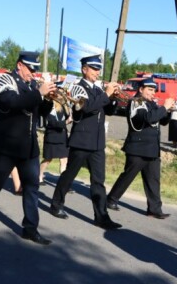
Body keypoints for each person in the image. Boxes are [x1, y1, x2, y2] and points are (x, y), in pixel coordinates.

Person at [0, 51, 55, 245]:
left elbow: (41, 112)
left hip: (29, 145)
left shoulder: (33, 86)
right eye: (30, 68)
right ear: (20, 65)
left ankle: (30, 228)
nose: (33, 73)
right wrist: (39, 93)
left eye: (35, 69)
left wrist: (49, 99)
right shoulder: (5, 80)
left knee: (32, 186)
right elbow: (10, 102)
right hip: (7, 144)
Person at [48, 54, 122, 230]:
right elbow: (87, 107)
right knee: (69, 175)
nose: (97, 72)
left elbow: (108, 110)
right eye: (94, 69)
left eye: (98, 69)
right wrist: (106, 94)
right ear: (84, 69)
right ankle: (56, 204)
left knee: (98, 181)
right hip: (81, 140)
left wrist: (114, 98)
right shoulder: (77, 88)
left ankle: (101, 216)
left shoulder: (98, 90)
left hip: (97, 142)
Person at [106, 78, 174, 219]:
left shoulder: (152, 104)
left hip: (152, 149)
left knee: (153, 180)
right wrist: (164, 108)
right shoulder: (136, 102)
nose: (152, 93)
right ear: (141, 89)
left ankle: (154, 209)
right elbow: (148, 118)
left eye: (154, 90)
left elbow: (163, 121)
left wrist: (169, 111)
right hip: (138, 147)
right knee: (128, 176)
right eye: (149, 89)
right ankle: (111, 199)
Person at [38, 92, 72, 185]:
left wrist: (69, 108)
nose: (63, 97)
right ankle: (39, 176)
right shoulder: (49, 107)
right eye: (61, 96)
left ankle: (63, 183)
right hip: (52, 137)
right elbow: (51, 123)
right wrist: (65, 123)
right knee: (48, 159)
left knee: (64, 160)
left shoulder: (64, 107)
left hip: (62, 137)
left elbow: (68, 117)